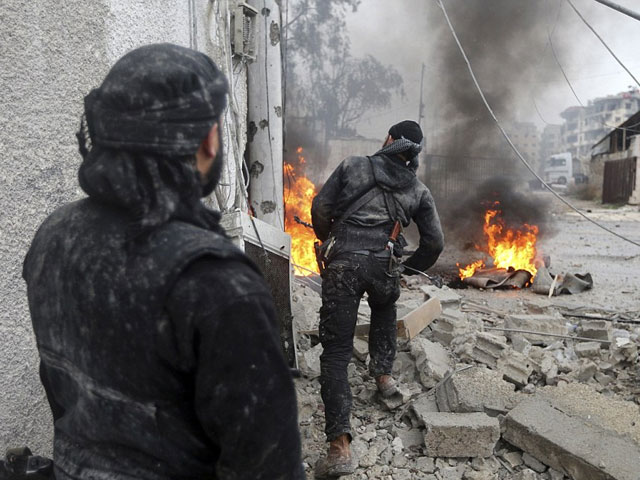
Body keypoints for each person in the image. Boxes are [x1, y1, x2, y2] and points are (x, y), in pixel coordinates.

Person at [22, 43, 304, 480]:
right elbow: (267, 465)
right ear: (208, 140)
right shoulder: (216, 282)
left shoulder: (55, 236)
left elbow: (61, 390)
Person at [311, 120, 444, 478]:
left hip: (344, 265)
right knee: (385, 309)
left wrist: (329, 241)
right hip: (384, 265)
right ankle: (384, 379)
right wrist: (408, 269)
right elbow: (435, 243)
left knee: (336, 353)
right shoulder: (417, 189)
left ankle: (340, 448)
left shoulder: (353, 166)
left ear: (388, 140)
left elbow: (320, 208)